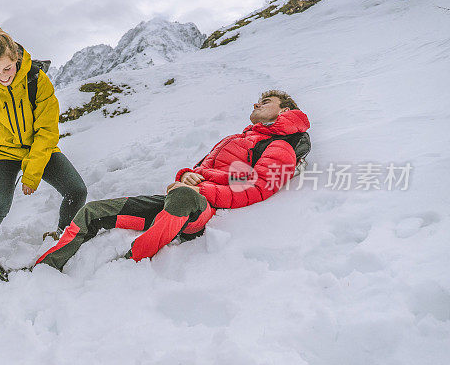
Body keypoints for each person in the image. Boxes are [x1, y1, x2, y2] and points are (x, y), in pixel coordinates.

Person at [26, 90, 310, 274]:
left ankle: (128, 266)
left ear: (284, 111)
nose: (256, 103)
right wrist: (185, 176)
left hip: (202, 208)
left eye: (266, 102)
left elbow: (257, 186)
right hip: (181, 202)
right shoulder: (239, 138)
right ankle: (40, 270)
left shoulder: (280, 146)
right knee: (92, 211)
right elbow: (200, 169)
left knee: (184, 198)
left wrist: (197, 185)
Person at [0, 19, 87, 274]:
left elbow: (47, 130)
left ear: (16, 57)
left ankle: (61, 237)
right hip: (1, 152)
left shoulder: (37, 80)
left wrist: (32, 171)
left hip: (36, 148)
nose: (3, 77)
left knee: (77, 191)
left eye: (7, 68)